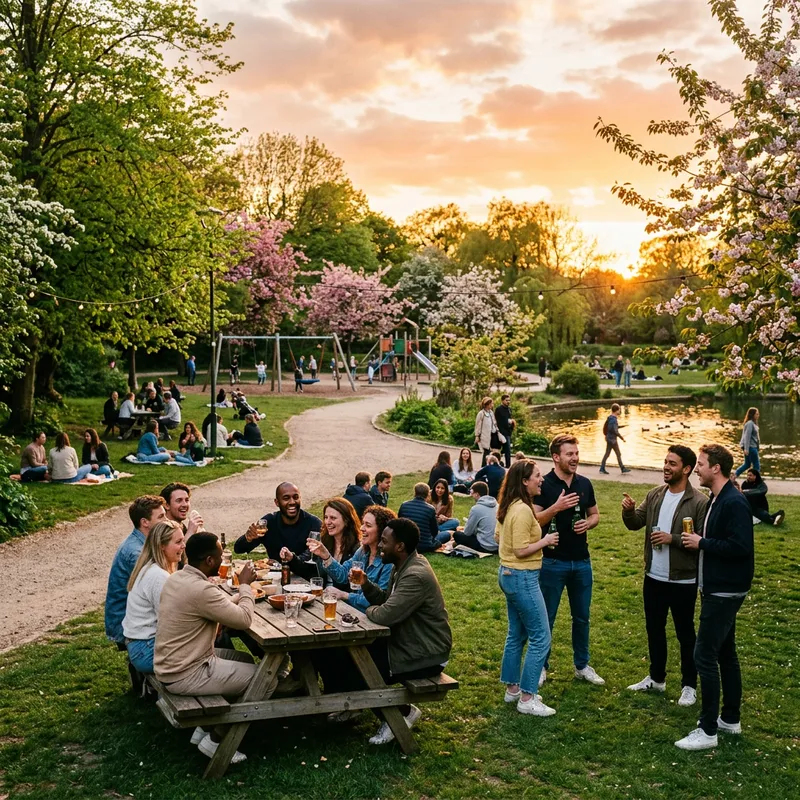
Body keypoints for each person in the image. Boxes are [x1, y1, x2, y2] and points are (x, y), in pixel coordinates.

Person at [155, 532, 266, 764]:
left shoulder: (177, 578)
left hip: (171, 664)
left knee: (245, 660)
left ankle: (204, 728)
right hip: (186, 672)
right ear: (209, 561)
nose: (223, 558)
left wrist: (236, 598)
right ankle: (216, 740)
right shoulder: (202, 590)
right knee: (265, 677)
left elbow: (218, 606)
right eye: (219, 555)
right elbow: (244, 619)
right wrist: (245, 585)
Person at [674, 444, 754, 751]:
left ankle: (707, 730)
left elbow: (740, 546)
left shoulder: (734, 502)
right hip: (717, 588)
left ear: (716, 468)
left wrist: (702, 542)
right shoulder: (717, 499)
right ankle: (729, 719)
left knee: (703, 654)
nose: (697, 469)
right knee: (725, 652)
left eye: (702, 464)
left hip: (724, 591)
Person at [350, 518, 453, 745]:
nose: (380, 546)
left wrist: (366, 609)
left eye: (385, 542)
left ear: (400, 546)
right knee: (348, 655)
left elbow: (385, 614)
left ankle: (401, 714)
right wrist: (366, 584)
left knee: (359, 665)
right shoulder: (403, 566)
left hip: (426, 653)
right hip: (407, 642)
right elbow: (388, 603)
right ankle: (351, 704)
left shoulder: (415, 575)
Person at [621, 445, 709, 706]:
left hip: (683, 579)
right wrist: (628, 510)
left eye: (672, 463)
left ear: (686, 469)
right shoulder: (655, 494)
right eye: (665, 462)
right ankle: (656, 679)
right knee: (654, 629)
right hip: (654, 577)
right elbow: (636, 523)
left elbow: (702, 539)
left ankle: (689, 686)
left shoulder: (700, 502)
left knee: (685, 633)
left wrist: (671, 539)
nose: (666, 467)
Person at [534, 434, 604, 687]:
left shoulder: (585, 483)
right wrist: (557, 507)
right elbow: (536, 520)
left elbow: (595, 514)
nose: (575, 458)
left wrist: (589, 523)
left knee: (582, 617)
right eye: (569, 454)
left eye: (576, 453)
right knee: (547, 618)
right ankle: (541, 666)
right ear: (556, 457)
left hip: (582, 562)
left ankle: (582, 666)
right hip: (552, 562)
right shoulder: (544, 484)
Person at [496, 460, 560, 716]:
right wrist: (545, 540)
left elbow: (498, 537)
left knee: (516, 634)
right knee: (541, 637)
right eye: (537, 476)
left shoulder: (509, 505)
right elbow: (520, 550)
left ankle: (512, 689)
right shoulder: (522, 510)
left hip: (509, 574)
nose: (541, 479)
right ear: (524, 481)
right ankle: (527, 697)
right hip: (522, 577)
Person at [122, 520, 185, 673]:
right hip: (146, 650)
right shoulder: (158, 576)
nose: (184, 546)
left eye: (183, 540)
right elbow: (170, 622)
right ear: (161, 546)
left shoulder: (150, 567)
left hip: (139, 644)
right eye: (178, 542)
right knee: (201, 653)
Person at [105, 495, 168, 645]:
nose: (166, 520)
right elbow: (158, 590)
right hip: (126, 624)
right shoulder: (136, 553)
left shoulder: (144, 542)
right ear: (145, 522)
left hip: (135, 617)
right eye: (161, 517)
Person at [310, 505, 396, 610]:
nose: (362, 528)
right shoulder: (362, 552)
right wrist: (326, 556)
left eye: (368, 525)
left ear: (382, 531)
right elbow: (342, 575)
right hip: (355, 613)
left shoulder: (388, 561)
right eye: (363, 523)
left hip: (370, 619)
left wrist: (344, 595)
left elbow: (377, 600)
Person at [234, 482, 322, 561]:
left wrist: (292, 561)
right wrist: (248, 538)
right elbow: (238, 549)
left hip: (305, 575)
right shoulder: (269, 522)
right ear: (277, 502)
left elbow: (312, 555)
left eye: (295, 497)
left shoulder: (313, 523)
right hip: (275, 575)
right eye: (286, 498)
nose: (292, 502)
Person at [398, 483, 451, 552]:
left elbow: (399, 524)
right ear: (428, 494)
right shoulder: (430, 509)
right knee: (447, 534)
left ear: (415, 493)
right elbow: (434, 532)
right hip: (424, 545)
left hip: (406, 543)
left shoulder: (404, 505)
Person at [453, 481, 497, 553]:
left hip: (485, 546)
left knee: (457, 534)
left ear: (477, 494)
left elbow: (467, 533)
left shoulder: (476, 508)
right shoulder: (497, 505)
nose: (471, 495)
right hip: (497, 544)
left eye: (472, 492)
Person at [599, 403, 631, 474]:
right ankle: (622, 468)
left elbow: (611, 428)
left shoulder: (610, 418)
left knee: (607, 454)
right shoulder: (613, 419)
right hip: (612, 440)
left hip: (609, 439)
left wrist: (621, 426)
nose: (619, 411)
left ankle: (602, 468)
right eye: (619, 409)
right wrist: (622, 438)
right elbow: (615, 431)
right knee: (618, 454)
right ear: (616, 410)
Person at [474, 397, 502, 466]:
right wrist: (477, 435)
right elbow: (478, 425)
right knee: (486, 452)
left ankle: (489, 466)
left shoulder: (491, 413)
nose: (492, 405)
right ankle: (483, 467)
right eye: (491, 403)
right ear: (487, 404)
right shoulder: (481, 413)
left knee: (492, 452)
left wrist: (497, 431)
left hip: (492, 435)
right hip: (484, 436)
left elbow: (494, 423)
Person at [734, 407, 760, 477]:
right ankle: (757, 481)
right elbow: (747, 437)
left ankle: (734, 475)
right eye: (756, 414)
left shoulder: (754, 424)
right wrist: (746, 449)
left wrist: (758, 447)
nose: (758, 415)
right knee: (756, 466)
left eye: (758, 414)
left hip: (753, 447)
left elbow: (756, 438)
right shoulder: (749, 424)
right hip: (751, 447)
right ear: (752, 415)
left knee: (747, 464)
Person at [495, 394, 515, 468]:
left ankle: (508, 465)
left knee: (507, 450)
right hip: (500, 431)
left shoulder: (509, 409)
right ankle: (497, 464)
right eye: (506, 400)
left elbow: (510, 419)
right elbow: (497, 421)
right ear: (502, 400)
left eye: (509, 400)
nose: (508, 402)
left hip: (508, 432)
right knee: (499, 450)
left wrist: (511, 425)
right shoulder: (498, 409)